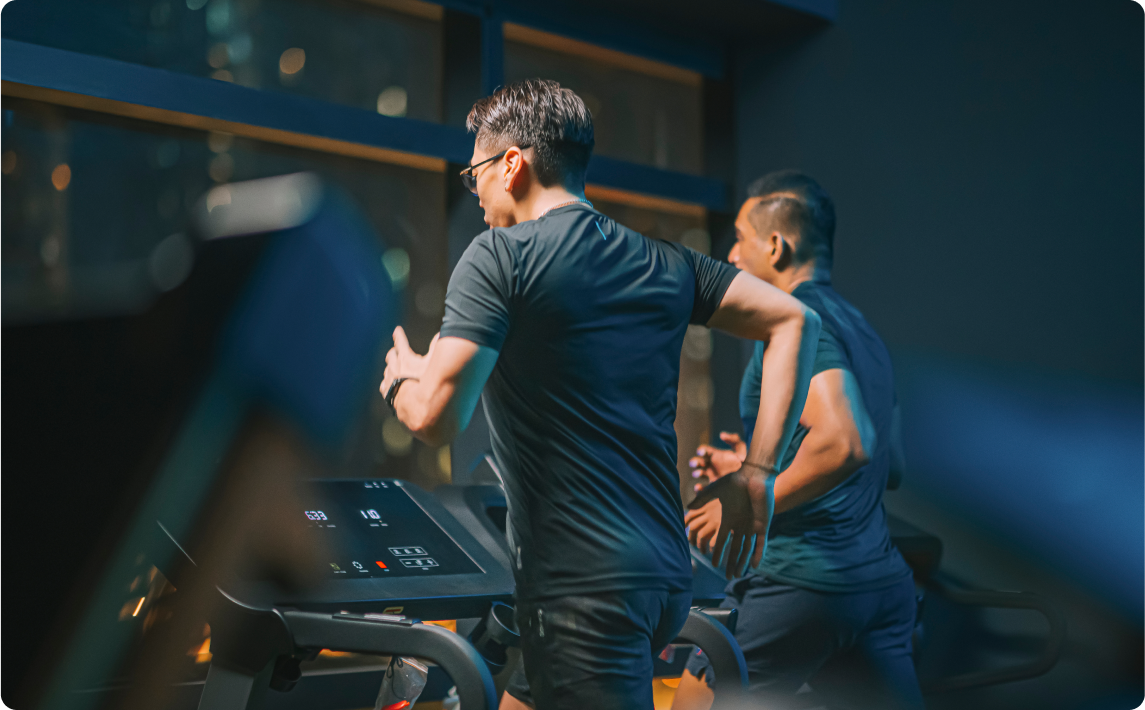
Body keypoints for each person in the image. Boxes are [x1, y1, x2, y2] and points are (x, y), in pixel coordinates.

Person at [379, 80, 821, 710]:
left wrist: (403, 377)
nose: (473, 189)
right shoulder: (665, 263)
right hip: (662, 576)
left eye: (474, 170)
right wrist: (758, 474)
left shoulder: (499, 256)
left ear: (513, 164)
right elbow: (794, 321)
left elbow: (432, 418)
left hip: (583, 591)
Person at [674, 171, 923, 710]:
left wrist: (749, 498)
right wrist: (746, 460)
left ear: (775, 245)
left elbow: (847, 443)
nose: (734, 256)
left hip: (805, 586)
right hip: (878, 585)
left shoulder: (798, 326)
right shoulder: (863, 330)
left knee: (691, 701)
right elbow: (890, 463)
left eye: (740, 238)